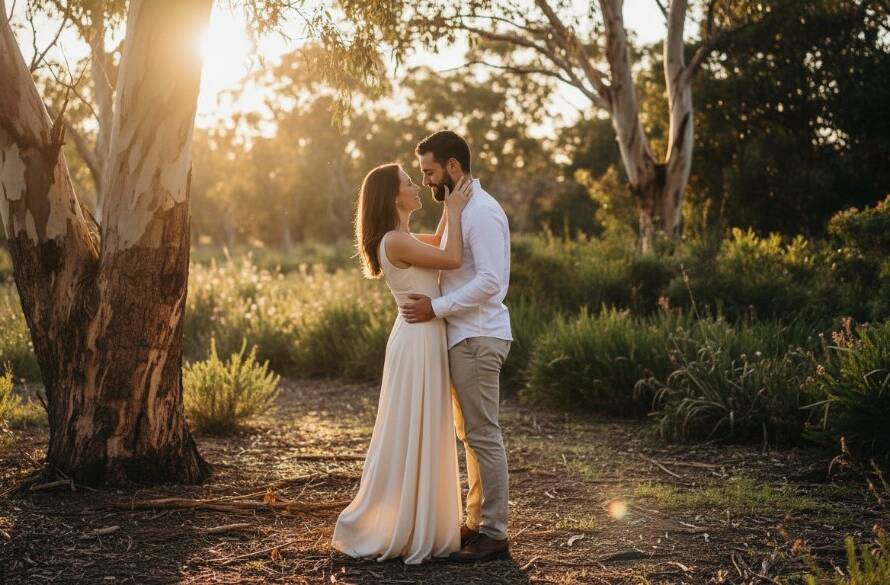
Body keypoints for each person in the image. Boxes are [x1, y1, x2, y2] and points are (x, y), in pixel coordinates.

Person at [331, 162, 473, 564]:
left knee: (423, 425)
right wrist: (458, 209)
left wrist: (449, 203)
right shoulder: (394, 240)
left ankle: (419, 518)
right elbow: (452, 257)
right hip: (415, 342)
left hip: (422, 337)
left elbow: (442, 241)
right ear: (394, 197)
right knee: (413, 426)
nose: (416, 186)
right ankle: (402, 523)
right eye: (410, 182)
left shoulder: (403, 237)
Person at [401, 130, 514, 563]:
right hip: (463, 336)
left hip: (478, 335)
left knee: (484, 435)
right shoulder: (460, 209)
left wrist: (437, 307)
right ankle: (476, 523)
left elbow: (491, 281)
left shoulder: (481, 213)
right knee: (471, 435)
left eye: (429, 172)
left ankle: (495, 534)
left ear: (453, 167)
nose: (426, 181)